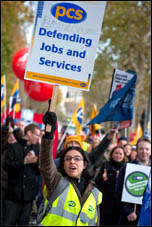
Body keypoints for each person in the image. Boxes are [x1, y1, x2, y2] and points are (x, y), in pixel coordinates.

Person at [38, 110, 103, 226]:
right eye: (68, 159)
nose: (72, 161)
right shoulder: (56, 183)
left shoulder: (96, 194)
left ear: (84, 165)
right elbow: (46, 165)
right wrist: (48, 135)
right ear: (63, 164)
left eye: (77, 159)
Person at [4, 123, 41, 226]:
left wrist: (35, 162)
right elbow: (6, 166)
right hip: (13, 195)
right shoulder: (13, 147)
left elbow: (39, 172)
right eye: (37, 135)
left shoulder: (37, 150)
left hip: (28, 197)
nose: (39, 138)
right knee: (8, 223)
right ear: (29, 133)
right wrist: (23, 162)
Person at [115, 137, 151, 226]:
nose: (144, 152)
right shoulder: (127, 167)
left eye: (147, 149)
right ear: (137, 150)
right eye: (141, 149)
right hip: (130, 217)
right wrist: (127, 211)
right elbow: (118, 192)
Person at [96, 145, 128, 225]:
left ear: (124, 156)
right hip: (106, 201)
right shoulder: (106, 164)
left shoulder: (127, 167)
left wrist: (120, 179)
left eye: (120, 154)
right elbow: (97, 181)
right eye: (116, 153)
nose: (118, 155)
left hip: (119, 203)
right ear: (112, 154)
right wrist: (103, 179)